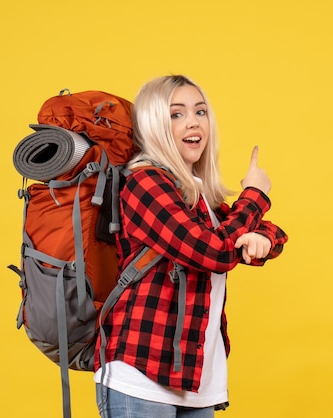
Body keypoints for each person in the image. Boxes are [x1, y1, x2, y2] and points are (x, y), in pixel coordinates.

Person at [94, 75, 288, 418]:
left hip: (194, 382)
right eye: (176, 114)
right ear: (154, 125)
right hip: (141, 375)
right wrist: (256, 194)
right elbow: (214, 251)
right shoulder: (145, 182)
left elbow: (258, 233)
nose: (194, 121)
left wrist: (262, 238)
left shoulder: (199, 194)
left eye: (200, 111)